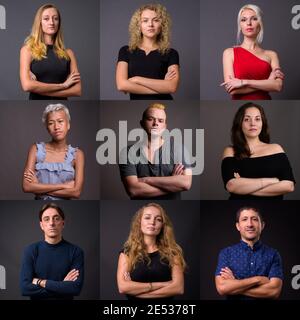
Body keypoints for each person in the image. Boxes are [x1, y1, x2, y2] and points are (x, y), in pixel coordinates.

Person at [221, 102, 295, 199]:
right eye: (247, 119)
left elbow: (289, 186)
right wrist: (272, 181)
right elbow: (231, 185)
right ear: (239, 123)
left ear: (262, 122)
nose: (252, 123)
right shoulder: (230, 151)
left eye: (257, 119)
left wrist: (243, 188)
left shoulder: (276, 148)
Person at [119, 103, 192, 199]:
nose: (155, 123)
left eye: (160, 121)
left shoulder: (179, 149)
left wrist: (146, 180)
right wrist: (172, 183)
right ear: (142, 123)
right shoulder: (127, 152)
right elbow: (134, 190)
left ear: (165, 126)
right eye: (150, 119)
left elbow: (186, 183)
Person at [117, 203, 185, 300]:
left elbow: (178, 288)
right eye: (147, 218)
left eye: (158, 219)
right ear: (139, 222)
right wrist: (164, 284)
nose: (152, 222)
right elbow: (123, 287)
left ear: (162, 225)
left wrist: (137, 291)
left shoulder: (173, 252)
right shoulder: (127, 253)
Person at [215, 207, 283, 300]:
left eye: (254, 219)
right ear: (238, 226)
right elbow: (222, 288)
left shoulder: (273, 254)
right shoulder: (226, 253)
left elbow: (274, 291)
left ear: (262, 225)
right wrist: (258, 279)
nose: (250, 224)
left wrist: (235, 284)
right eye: (244, 219)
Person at [20, 203, 84, 300]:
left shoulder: (76, 251)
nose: (51, 223)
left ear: (63, 223)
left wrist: (40, 282)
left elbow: (75, 289)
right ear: (41, 225)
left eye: (56, 218)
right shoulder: (31, 250)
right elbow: (25, 289)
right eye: (46, 219)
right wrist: (62, 286)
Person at [116, 3, 180, 100]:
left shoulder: (171, 53)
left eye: (156, 20)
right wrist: (162, 87)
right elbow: (121, 85)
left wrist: (137, 79)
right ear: (139, 25)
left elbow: (172, 87)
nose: (150, 24)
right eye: (145, 21)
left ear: (162, 25)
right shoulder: (126, 51)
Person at [221, 4, 284, 100]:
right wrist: (268, 82)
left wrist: (244, 82)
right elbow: (232, 89)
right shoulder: (229, 53)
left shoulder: (271, 55)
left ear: (260, 24)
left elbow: (278, 86)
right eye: (243, 19)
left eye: (254, 19)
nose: (249, 23)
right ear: (240, 26)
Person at [22, 103, 84, 200]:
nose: (56, 127)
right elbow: (27, 187)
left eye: (60, 121)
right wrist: (64, 186)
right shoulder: (35, 149)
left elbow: (76, 192)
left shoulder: (77, 154)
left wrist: (38, 186)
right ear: (47, 127)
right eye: (51, 123)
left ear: (68, 125)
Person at [20, 4, 81, 100]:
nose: (51, 22)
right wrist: (63, 85)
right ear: (39, 22)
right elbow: (27, 86)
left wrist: (38, 88)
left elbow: (77, 90)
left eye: (55, 19)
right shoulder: (28, 50)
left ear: (59, 23)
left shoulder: (68, 53)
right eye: (46, 19)